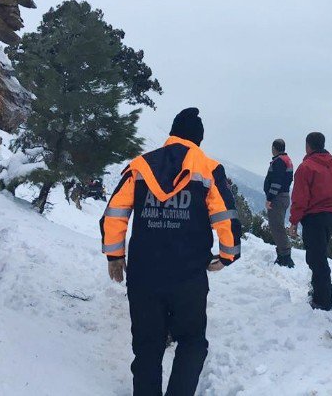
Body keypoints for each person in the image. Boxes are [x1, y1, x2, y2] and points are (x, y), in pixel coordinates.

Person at [100, 107, 241, 396]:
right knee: (191, 341)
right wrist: (227, 255)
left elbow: (114, 213)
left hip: (144, 272)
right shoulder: (209, 168)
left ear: (172, 133)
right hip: (187, 274)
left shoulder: (140, 165)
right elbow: (225, 217)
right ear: (198, 139)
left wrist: (115, 255)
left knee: (147, 345)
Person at [288, 132, 332, 311]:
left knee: (316, 258)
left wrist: (294, 221)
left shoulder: (306, 167)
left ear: (308, 146)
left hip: (314, 216)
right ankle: (319, 293)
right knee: (319, 254)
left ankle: (323, 301)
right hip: (331, 215)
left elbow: (300, 197)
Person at [264, 138, 295, 267]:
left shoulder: (279, 162)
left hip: (278, 198)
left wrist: (270, 198)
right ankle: (283, 254)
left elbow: (276, 182)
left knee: (276, 226)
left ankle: (285, 257)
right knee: (277, 225)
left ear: (274, 148)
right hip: (284, 196)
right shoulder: (286, 160)